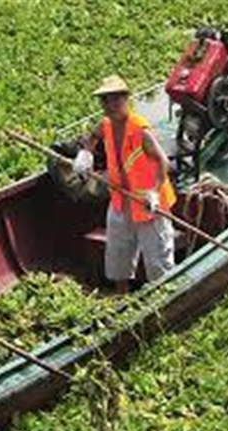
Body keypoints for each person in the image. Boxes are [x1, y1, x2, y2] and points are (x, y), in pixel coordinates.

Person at [73, 74, 177, 294]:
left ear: (125, 99)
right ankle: (122, 295)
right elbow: (92, 136)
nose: (110, 106)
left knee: (157, 259)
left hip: (148, 204)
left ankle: (161, 298)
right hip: (120, 200)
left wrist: (154, 193)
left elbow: (163, 162)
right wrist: (86, 153)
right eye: (105, 101)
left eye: (115, 100)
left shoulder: (140, 131)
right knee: (118, 252)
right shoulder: (106, 125)